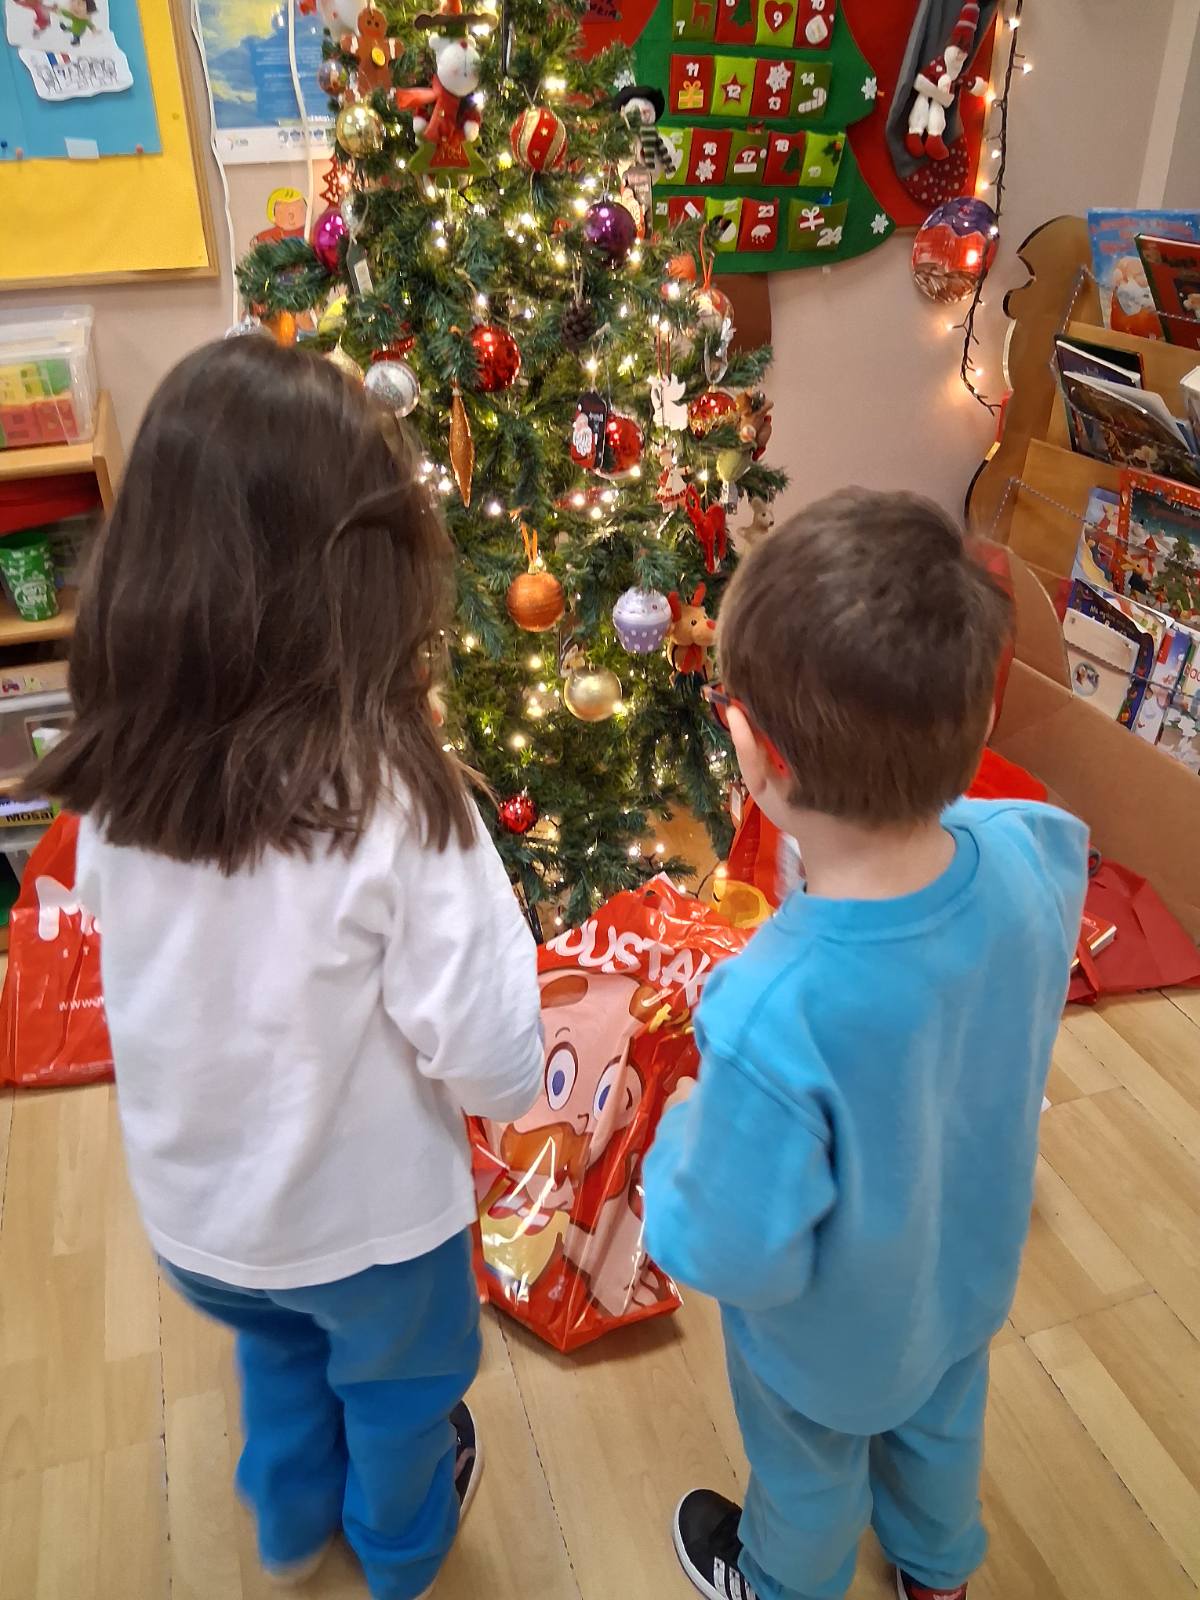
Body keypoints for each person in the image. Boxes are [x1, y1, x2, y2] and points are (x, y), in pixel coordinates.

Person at [29, 337, 544, 1600]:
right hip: (373, 1230)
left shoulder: (114, 782)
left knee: (276, 1353)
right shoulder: (396, 796)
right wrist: (518, 1093)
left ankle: (288, 1524)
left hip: (203, 1219)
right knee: (404, 1395)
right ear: (369, 576)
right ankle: (403, 1554)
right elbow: (491, 1048)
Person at [643, 490, 1089, 1600]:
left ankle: (779, 1582)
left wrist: (677, 1141)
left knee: (807, 1477)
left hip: (823, 1345)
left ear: (750, 747)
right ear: (980, 718)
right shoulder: (1031, 845)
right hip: (964, 1272)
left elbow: (727, 1246)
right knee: (942, 1431)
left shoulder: (769, 1011)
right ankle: (937, 1573)